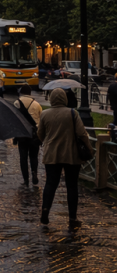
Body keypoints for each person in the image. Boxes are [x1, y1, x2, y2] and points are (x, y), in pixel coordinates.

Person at [37, 88, 88, 229]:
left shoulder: (45, 114)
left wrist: (47, 142)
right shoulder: (72, 113)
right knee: (72, 186)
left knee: (50, 184)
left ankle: (45, 212)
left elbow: (40, 134)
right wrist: (88, 148)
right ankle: (72, 218)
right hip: (71, 154)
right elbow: (81, 133)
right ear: (65, 99)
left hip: (51, 154)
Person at [13, 85, 42, 185]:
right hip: (34, 135)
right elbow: (40, 120)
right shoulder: (36, 104)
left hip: (22, 134)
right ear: (30, 93)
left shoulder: (17, 103)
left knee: (23, 158)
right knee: (34, 156)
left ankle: (25, 179)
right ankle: (34, 173)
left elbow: (15, 120)